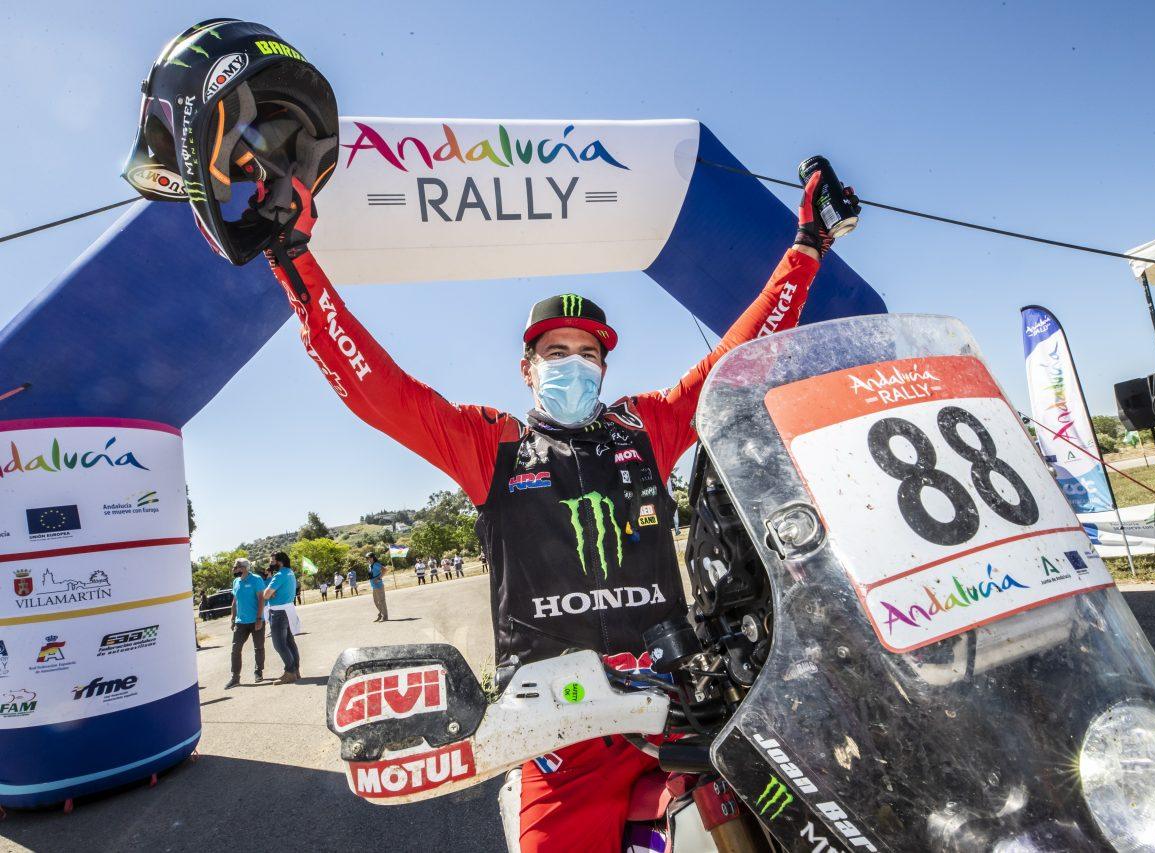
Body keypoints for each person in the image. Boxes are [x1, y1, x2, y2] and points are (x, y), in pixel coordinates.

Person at [250, 157, 851, 851]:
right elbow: (379, 389)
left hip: (678, 710)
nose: (572, 362)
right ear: (527, 368)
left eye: (586, 352)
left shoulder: (645, 426)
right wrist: (291, 256)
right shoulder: (491, 444)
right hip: (556, 735)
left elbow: (743, 352)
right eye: (554, 351)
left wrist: (806, 247)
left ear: (603, 366)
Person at [226, 557, 266, 688]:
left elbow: (261, 600)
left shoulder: (256, 579)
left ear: (244, 568)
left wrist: (259, 618)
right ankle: (235, 678)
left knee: (258, 647)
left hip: (256, 620)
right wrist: (233, 618)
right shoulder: (236, 582)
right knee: (235, 649)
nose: (234, 569)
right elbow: (235, 601)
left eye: (236, 566)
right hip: (240, 622)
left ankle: (258, 672)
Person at [262, 552, 301, 684]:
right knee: (290, 642)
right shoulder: (290, 572)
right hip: (288, 611)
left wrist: (270, 593)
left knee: (279, 644)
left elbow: (266, 594)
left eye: (272, 561)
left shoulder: (279, 575)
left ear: (279, 562)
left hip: (278, 613)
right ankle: (295, 670)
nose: (271, 564)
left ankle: (290, 672)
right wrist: (273, 593)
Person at [367, 552, 389, 622]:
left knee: (381, 601)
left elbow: (385, 570)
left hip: (379, 585)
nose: (368, 559)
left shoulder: (376, 564)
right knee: (376, 601)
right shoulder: (370, 565)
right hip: (374, 586)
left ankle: (385, 616)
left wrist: (379, 578)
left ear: (372, 557)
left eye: (369, 558)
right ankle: (381, 614)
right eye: (367, 558)